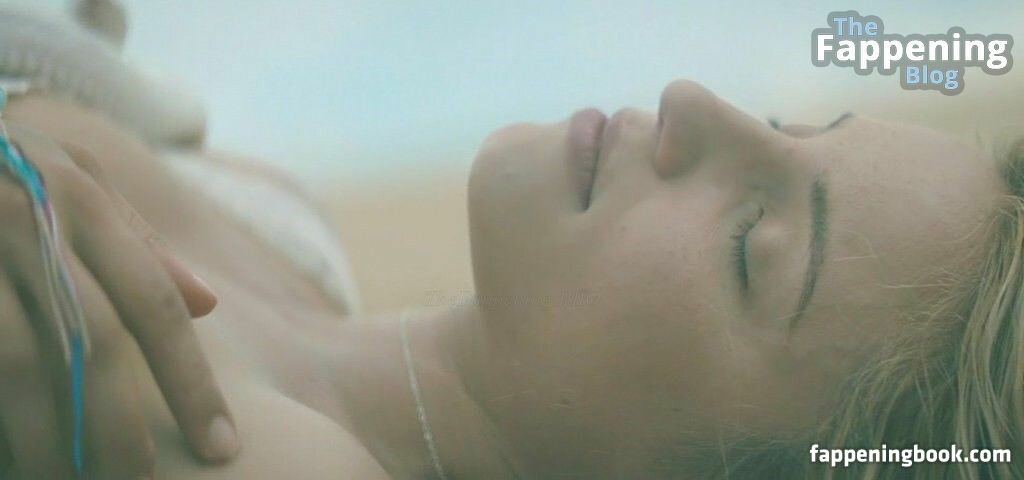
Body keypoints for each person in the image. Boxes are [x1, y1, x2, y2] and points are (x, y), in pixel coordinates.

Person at [1, 3, 1022, 480]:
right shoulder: (294, 234)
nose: (691, 102)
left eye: (751, 244)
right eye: (787, 126)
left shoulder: (247, 450)